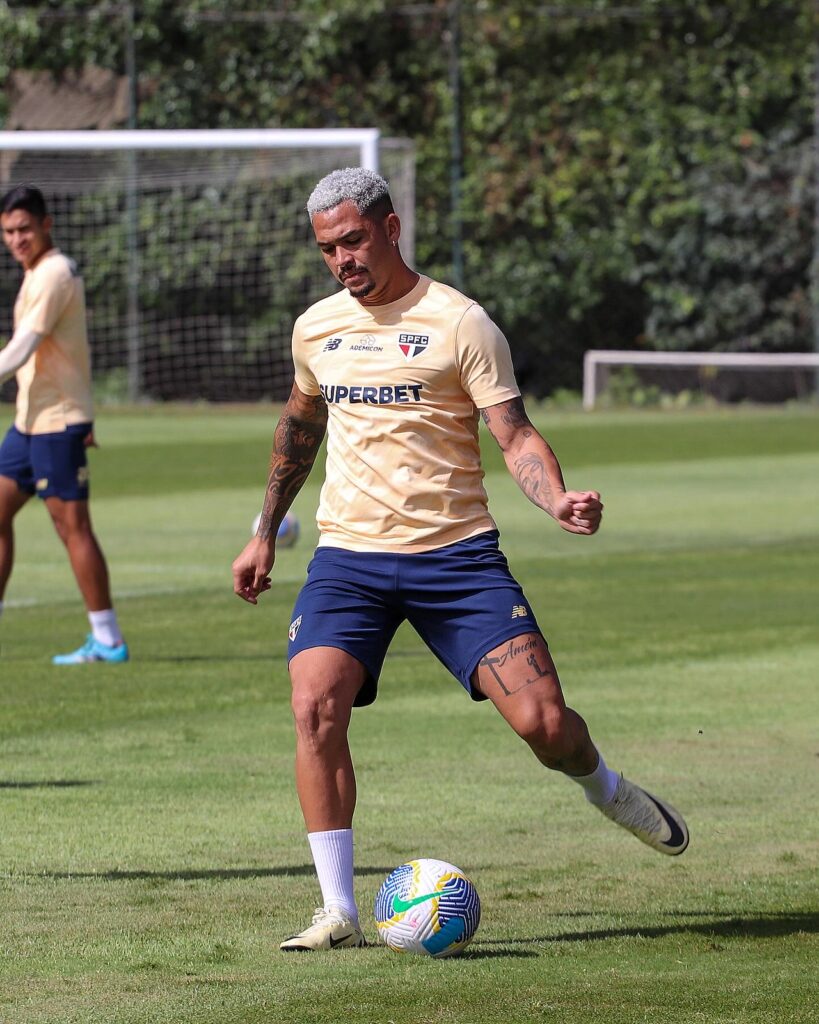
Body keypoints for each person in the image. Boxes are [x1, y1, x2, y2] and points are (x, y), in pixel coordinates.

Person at [232, 167, 688, 952]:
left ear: (390, 228)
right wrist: (264, 529)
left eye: (352, 241)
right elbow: (299, 428)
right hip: (348, 560)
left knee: (545, 726)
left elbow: (513, 432)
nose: (341, 259)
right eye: (326, 249)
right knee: (314, 707)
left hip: (456, 560)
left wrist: (555, 499)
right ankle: (337, 910)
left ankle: (606, 788)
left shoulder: (459, 323)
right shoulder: (315, 328)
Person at [0, 184, 128, 664]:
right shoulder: (37, 272)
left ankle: (108, 640)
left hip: (56, 423)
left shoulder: (54, 273)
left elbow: (21, 350)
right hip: (29, 422)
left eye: (24, 229)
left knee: (72, 528)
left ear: (46, 225)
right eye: (8, 232)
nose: (16, 239)